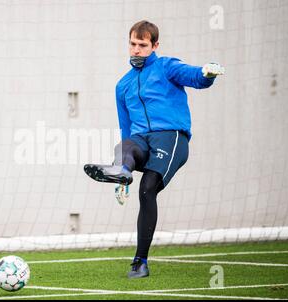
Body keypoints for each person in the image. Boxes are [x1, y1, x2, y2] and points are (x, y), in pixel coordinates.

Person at [84, 20, 224, 279]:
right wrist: (123, 171)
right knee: (124, 144)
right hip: (140, 140)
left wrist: (207, 74)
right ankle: (121, 171)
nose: (136, 50)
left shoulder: (167, 66)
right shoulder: (122, 85)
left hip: (171, 138)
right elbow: (126, 129)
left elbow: (193, 76)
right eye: (133, 44)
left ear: (154, 45)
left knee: (147, 189)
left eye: (142, 45)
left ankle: (140, 263)